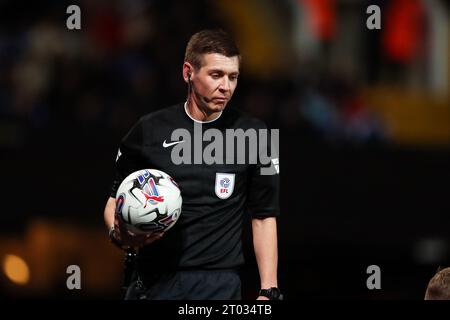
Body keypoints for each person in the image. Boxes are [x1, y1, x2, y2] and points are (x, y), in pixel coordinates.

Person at [103, 29, 282, 300]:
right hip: (153, 283)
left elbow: (264, 216)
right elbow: (114, 200)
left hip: (218, 285)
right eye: (216, 75)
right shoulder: (148, 130)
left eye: (233, 77)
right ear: (188, 72)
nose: (226, 86)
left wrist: (269, 289)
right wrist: (120, 235)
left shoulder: (256, 135)